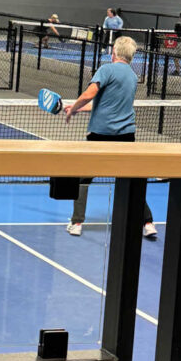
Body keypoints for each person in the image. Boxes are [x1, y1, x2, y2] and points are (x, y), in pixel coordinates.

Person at [63, 35, 158, 239]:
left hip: (100, 135)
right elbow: (107, 105)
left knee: (82, 179)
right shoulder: (132, 76)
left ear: (114, 52)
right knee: (131, 179)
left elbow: (89, 94)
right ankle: (148, 223)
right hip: (126, 136)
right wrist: (77, 108)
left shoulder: (106, 69)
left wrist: (72, 110)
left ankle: (77, 222)